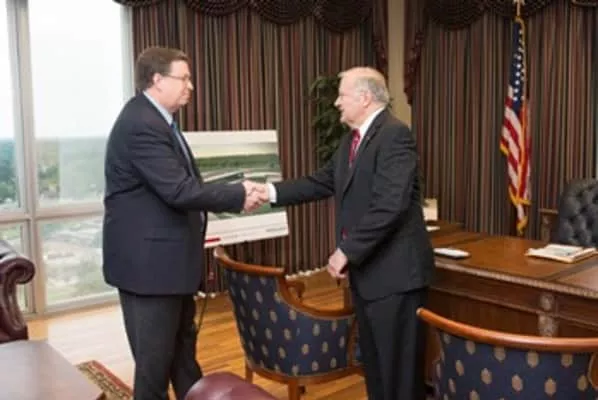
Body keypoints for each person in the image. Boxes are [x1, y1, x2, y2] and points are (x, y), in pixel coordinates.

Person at [254, 66, 434, 400]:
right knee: (376, 368)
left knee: (399, 376)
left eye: (342, 95)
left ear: (364, 98)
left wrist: (346, 251)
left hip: (396, 278)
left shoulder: (394, 135)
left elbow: (390, 206)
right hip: (370, 276)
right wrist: (269, 192)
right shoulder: (353, 140)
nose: (336, 102)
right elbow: (320, 181)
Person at [102, 46, 265, 400]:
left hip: (168, 266)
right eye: (184, 78)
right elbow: (178, 190)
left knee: (182, 357)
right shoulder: (141, 124)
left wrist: (235, 193)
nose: (191, 86)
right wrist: (238, 193)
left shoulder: (157, 120)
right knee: (154, 369)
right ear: (157, 80)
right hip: (149, 271)